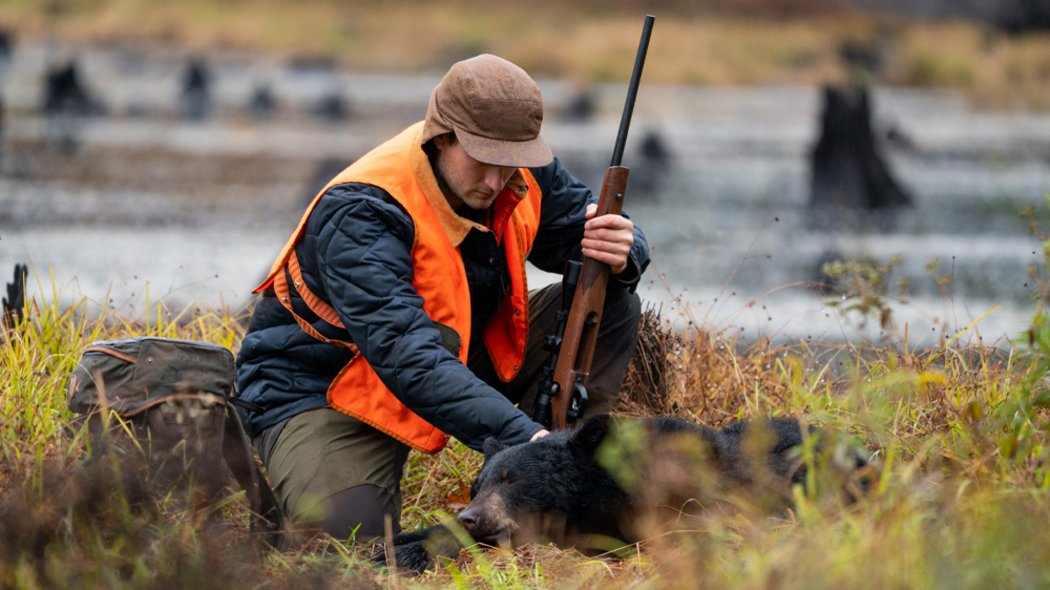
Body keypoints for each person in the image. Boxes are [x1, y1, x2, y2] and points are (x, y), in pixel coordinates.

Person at [235, 54, 651, 541]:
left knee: (611, 300)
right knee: (348, 543)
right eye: (482, 161)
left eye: (511, 163)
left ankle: (577, 474)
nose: (498, 182)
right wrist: (529, 441)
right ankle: (261, 480)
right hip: (325, 386)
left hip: (450, 351)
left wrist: (626, 250)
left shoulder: (518, 166)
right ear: (442, 136)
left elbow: (586, 229)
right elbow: (408, 357)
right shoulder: (361, 212)